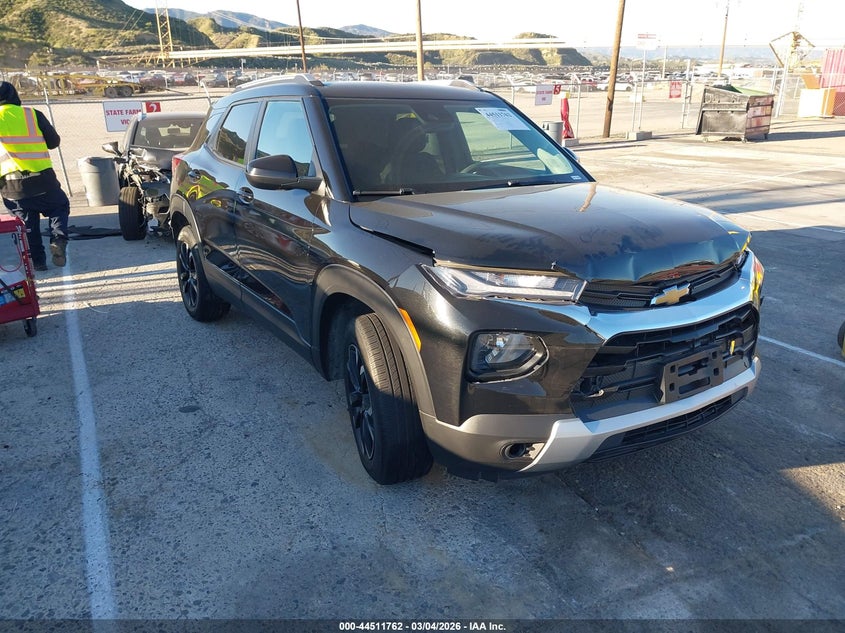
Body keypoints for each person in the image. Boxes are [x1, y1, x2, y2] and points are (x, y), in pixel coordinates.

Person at [0, 81, 70, 271]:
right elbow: (53, 142)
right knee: (59, 207)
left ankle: (39, 262)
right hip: (43, 180)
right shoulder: (32, 115)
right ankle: (59, 238)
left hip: (11, 186)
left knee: (27, 225)